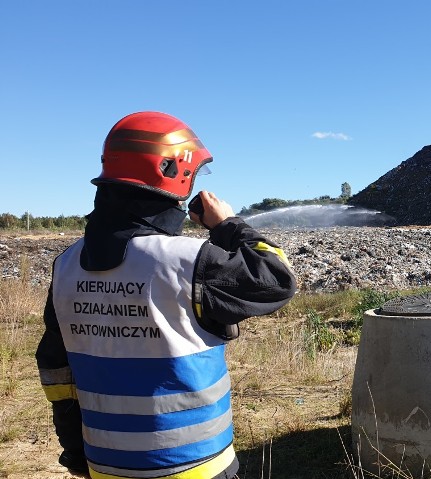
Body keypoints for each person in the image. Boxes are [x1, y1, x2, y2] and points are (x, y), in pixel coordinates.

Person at [35, 111, 298, 479]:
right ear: (174, 171)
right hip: (197, 465)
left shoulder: (66, 266)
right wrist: (227, 225)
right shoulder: (188, 261)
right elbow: (276, 279)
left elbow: (57, 369)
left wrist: (75, 451)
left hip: (105, 466)